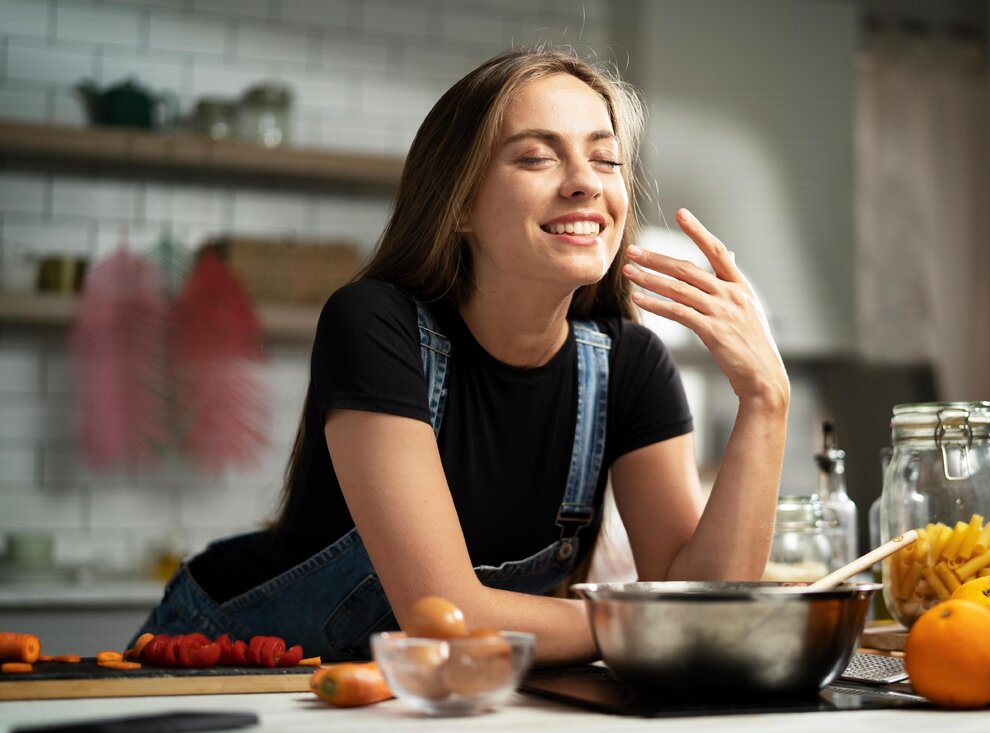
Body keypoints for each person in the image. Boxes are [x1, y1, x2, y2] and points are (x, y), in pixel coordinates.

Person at [134, 48, 790, 665]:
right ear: (460, 206)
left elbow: (703, 603)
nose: (585, 184)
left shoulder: (630, 363)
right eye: (537, 158)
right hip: (230, 661)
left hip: (428, 688)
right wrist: (654, 626)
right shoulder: (373, 323)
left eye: (606, 159)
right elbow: (441, 613)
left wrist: (766, 402)